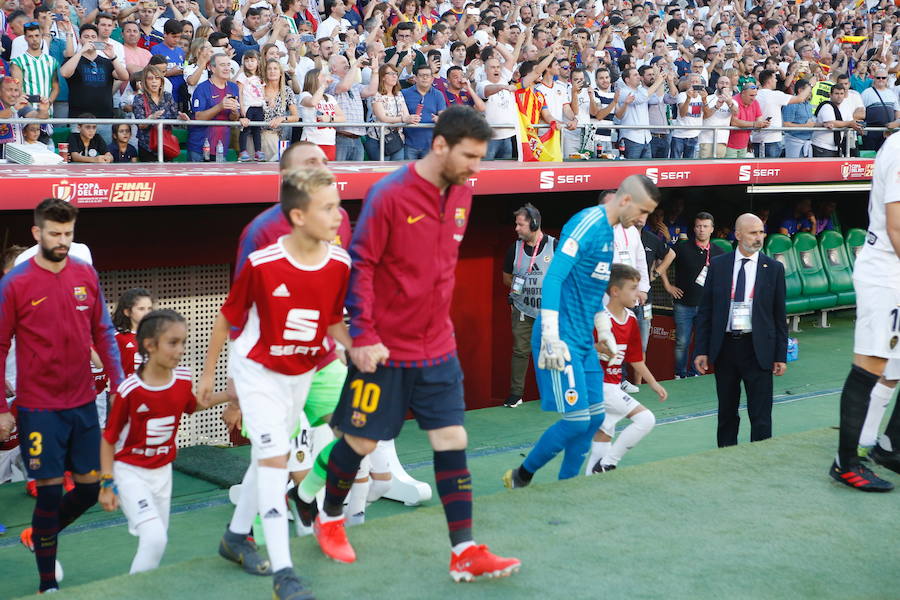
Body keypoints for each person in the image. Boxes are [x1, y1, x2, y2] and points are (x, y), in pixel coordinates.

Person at [307, 106, 519, 581]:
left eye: (481, 158)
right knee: (359, 440)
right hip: (383, 349)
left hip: (438, 346)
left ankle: (463, 550)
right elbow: (360, 267)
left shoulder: (464, 191)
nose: (475, 168)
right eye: (469, 156)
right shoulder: (390, 195)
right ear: (439, 145)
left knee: (452, 440)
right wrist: (362, 336)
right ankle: (330, 517)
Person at [199, 169, 350, 600]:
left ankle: (234, 536)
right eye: (328, 208)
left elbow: (334, 320)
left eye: (339, 205)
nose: (339, 216)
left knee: (271, 458)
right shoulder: (263, 263)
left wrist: (356, 349)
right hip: (257, 372)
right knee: (273, 458)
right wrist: (210, 375)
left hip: (300, 374)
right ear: (299, 216)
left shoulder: (340, 262)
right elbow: (228, 317)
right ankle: (284, 573)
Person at [0, 199, 124, 594]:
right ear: (37, 233)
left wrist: (121, 382)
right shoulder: (15, 283)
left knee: (88, 488)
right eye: (54, 233)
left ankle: (40, 534)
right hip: (38, 407)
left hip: (83, 402)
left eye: (68, 233)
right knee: (50, 492)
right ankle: (47, 583)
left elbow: (103, 331)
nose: (62, 241)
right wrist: (2, 407)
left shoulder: (85, 274)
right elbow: (0, 345)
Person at [503, 175, 659, 488]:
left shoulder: (610, 235)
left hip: (584, 341)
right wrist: (549, 335)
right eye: (643, 212)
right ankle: (522, 475)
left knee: (595, 420)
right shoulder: (588, 222)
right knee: (576, 421)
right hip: (560, 337)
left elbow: (593, 293)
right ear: (626, 200)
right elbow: (553, 278)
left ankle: (568, 487)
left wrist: (603, 330)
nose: (644, 220)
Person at [99, 310, 228, 574]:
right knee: (154, 537)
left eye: (183, 342)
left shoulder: (182, 379)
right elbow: (109, 439)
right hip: (130, 472)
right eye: (173, 342)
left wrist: (230, 394)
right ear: (149, 345)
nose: (180, 349)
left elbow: (192, 405)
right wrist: (107, 483)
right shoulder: (130, 391)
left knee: (158, 540)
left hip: (163, 474)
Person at [827, 131, 900, 491]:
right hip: (887, 270)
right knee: (871, 362)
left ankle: (885, 446)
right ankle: (846, 462)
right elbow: (897, 227)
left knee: (894, 366)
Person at [694, 213, 788, 448]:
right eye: (753, 232)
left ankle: (761, 456)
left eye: (761, 232)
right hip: (726, 347)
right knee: (726, 410)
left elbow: (779, 316)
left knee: (761, 413)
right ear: (737, 235)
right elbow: (706, 310)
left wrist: (780, 355)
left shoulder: (774, 268)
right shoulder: (718, 264)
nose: (759, 237)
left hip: (759, 349)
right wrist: (701, 350)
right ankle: (725, 455)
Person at [585, 263, 667, 474]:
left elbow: (635, 359)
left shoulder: (631, 319)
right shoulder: (599, 317)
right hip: (598, 385)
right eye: (632, 288)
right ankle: (608, 464)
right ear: (614, 291)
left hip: (613, 386)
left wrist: (653, 383)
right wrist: (597, 349)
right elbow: (580, 348)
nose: (637, 294)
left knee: (604, 434)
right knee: (646, 418)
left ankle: (591, 478)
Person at [501, 203, 556, 408]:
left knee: (550, 350)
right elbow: (506, 278)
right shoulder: (514, 248)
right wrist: (522, 284)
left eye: (520, 225)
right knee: (520, 351)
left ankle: (552, 393)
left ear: (534, 224)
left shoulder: (554, 245)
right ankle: (516, 394)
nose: (516, 228)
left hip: (548, 311)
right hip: (522, 308)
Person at [60, 23, 129, 143]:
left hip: (104, 118)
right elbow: (64, 73)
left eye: (93, 37)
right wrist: (81, 52)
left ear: (97, 39)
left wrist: (113, 57)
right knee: (78, 154)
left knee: (105, 155)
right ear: (80, 39)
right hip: (79, 119)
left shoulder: (107, 62)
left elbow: (124, 76)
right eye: (86, 37)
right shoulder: (74, 61)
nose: (90, 40)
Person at [187, 52, 240, 162]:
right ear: (212, 68)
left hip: (221, 146)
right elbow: (198, 117)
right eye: (222, 65)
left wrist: (234, 112)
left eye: (228, 64)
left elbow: (234, 118)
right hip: (200, 146)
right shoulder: (202, 88)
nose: (226, 68)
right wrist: (220, 106)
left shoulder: (233, 88)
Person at [327, 52, 378, 161]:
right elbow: (344, 87)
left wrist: (375, 70)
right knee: (338, 174)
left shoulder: (354, 84)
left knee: (356, 174)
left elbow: (371, 90)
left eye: (347, 62)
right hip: (340, 137)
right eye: (343, 62)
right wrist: (355, 66)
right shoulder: (330, 81)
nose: (347, 64)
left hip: (357, 138)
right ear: (334, 68)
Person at [132, 66, 189, 161]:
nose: (154, 81)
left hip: (166, 144)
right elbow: (140, 125)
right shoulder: (139, 99)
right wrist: (151, 118)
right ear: (145, 82)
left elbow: (174, 116)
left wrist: (181, 117)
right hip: (147, 146)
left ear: (161, 81)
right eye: (150, 78)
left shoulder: (168, 96)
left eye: (157, 78)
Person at [750, 69, 811, 158]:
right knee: (772, 170)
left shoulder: (755, 95)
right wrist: (810, 85)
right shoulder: (775, 95)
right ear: (769, 80)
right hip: (772, 139)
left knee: (760, 169)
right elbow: (800, 98)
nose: (776, 80)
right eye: (775, 78)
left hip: (756, 138)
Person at [364, 63, 414, 161]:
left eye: (395, 73)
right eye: (391, 73)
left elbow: (406, 114)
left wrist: (410, 118)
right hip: (378, 140)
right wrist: (404, 119)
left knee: (397, 171)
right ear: (382, 77)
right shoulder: (376, 94)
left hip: (397, 138)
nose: (395, 76)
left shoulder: (399, 94)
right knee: (382, 171)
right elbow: (383, 118)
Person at [400, 63, 446, 160]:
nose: (424, 78)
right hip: (409, 143)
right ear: (415, 78)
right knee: (409, 174)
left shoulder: (438, 94)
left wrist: (439, 119)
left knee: (428, 174)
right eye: (421, 75)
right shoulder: (404, 93)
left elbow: (443, 116)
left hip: (430, 145)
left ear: (432, 79)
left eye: (427, 76)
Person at [298, 68, 344, 160]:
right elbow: (313, 102)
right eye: (322, 76)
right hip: (311, 142)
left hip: (329, 142)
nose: (325, 78)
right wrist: (323, 86)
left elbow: (342, 118)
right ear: (313, 79)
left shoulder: (330, 98)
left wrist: (330, 119)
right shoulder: (305, 95)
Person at [477, 56, 516, 160]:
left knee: (506, 170)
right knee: (487, 169)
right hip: (490, 137)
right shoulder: (482, 84)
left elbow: (510, 59)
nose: (496, 69)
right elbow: (487, 90)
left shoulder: (504, 80)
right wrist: (502, 87)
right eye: (493, 67)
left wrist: (495, 44)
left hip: (508, 135)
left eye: (498, 67)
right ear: (485, 70)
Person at [112, 288, 155, 377]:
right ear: (127, 312)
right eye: (141, 309)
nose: (147, 313)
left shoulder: (156, 334)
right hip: (127, 389)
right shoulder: (117, 336)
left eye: (149, 308)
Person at [236, 49, 266, 161]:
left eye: (252, 60)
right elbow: (239, 92)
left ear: (258, 61)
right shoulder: (242, 76)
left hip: (258, 106)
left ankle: (258, 150)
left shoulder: (261, 77)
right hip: (248, 106)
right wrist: (241, 107)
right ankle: (243, 151)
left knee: (257, 130)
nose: (249, 63)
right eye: (247, 60)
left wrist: (266, 102)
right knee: (245, 129)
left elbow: (262, 92)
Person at [860, 67, 900, 153]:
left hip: (889, 132)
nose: (881, 79)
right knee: (870, 158)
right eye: (878, 77)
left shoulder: (891, 93)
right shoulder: (866, 93)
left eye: (883, 78)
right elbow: (860, 112)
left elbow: (897, 111)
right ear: (874, 78)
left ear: (887, 79)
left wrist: (896, 123)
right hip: (871, 132)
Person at [725, 81, 768, 158]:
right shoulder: (734, 101)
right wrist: (755, 124)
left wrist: (763, 124)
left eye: (755, 95)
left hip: (744, 145)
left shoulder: (755, 102)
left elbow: (759, 119)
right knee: (730, 169)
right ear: (743, 93)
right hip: (729, 145)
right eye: (751, 95)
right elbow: (734, 122)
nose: (753, 98)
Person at [699, 77, 737, 159]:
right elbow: (704, 116)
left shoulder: (732, 101)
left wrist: (729, 102)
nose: (724, 85)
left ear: (730, 86)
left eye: (727, 83)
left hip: (722, 140)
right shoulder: (708, 98)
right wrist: (716, 107)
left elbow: (736, 113)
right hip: (706, 140)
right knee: (704, 167)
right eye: (721, 83)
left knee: (717, 166)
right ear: (716, 85)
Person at [782, 79, 815, 158]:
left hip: (807, 141)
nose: (810, 92)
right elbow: (786, 125)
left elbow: (810, 123)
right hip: (794, 142)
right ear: (800, 90)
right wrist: (805, 126)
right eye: (808, 90)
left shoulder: (808, 105)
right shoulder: (791, 104)